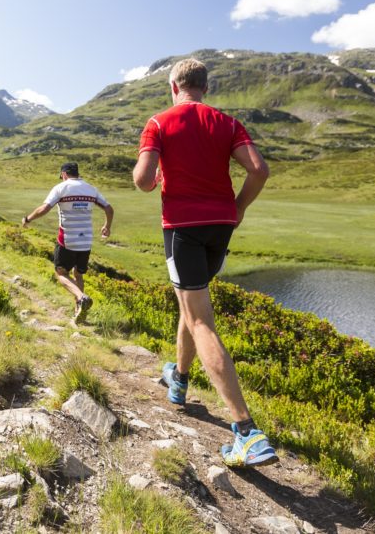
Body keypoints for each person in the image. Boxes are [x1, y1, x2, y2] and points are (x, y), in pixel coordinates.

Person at [132, 58, 276, 468]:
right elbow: (259, 170)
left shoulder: (159, 123)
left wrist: (156, 173)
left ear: (174, 86)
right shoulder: (227, 123)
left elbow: (143, 181)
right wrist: (238, 207)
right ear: (204, 88)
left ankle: (247, 432)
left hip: (183, 228)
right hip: (222, 226)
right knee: (191, 303)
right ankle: (178, 380)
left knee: (201, 321)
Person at [22, 162, 113, 325]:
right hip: (86, 240)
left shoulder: (61, 188)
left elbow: (44, 208)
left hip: (67, 239)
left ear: (64, 174)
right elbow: (109, 208)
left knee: (61, 274)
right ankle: (78, 312)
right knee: (78, 275)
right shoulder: (91, 189)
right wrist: (107, 226)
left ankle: (81, 298)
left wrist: (28, 219)